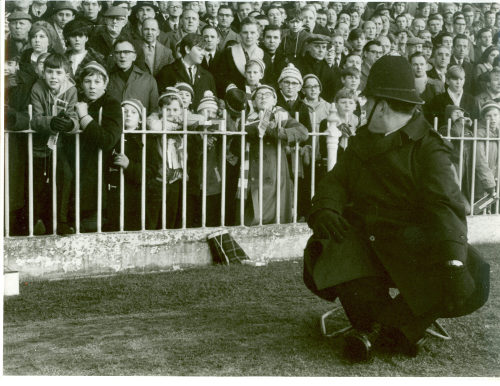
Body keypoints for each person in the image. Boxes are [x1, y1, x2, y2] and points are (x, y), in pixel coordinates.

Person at [304, 55, 490, 362]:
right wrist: (326, 208)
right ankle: (380, 328)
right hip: (363, 242)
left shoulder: (429, 147)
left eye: (370, 100)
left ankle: (382, 330)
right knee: (329, 246)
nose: (365, 108)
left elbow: (445, 204)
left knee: (468, 275)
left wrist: (452, 259)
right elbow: (336, 181)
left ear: (384, 105)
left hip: (411, 245)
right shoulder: (364, 140)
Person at [241, 85, 308, 225]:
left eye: (267, 94)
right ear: (253, 102)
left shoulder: (281, 116)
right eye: (259, 95)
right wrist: (255, 127)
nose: (263, 97)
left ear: (275, 100)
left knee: (276, 216)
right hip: (252, 174)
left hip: (276, 172)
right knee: (252, 217)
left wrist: (277, 132)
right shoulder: (246, 118)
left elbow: (303, 132)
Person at [30, 53, 80, 235]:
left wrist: (69, 124)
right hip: (39, 146)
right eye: (49, 72)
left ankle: (62, 220)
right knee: (39, 182)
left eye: (58, 73)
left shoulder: (71, 90)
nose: (53, 77)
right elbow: (35, 119)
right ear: (43, 73)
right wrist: (50, 122)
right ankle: (39, 220)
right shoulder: (37, 88)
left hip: (61, 146)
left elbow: (75, 118)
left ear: (66, 74)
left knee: (65, 176)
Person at [73, 61, 122, 232]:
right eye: (88, 81)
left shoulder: (111, 104)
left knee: (92, 228)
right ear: (81, 84)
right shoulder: (77, 101)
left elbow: (108, 140)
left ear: (105, 84)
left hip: (98, 175)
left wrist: (84, 117)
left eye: (97, 82)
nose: (92, 86)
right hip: (77, 171)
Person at [156, 33, 216, 109]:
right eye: (200, 49)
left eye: (204, 50)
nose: (203, 53)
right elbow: (161, 103)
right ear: (187, 49)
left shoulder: (208, 77)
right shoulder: (167, 72)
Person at [107, 38, 159, 114]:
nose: (122, 55)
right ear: (114, 57)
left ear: (134, 57)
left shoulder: (148, 80)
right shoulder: (107, 79)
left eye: (126, 52)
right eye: (118, 52)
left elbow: (154, 111)